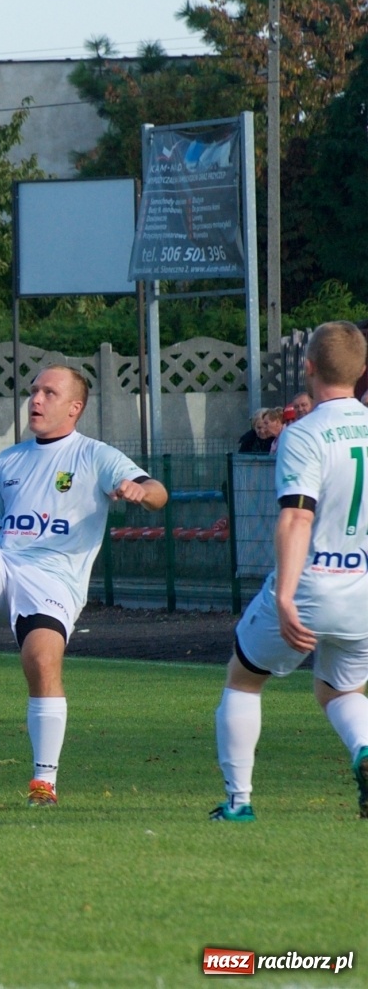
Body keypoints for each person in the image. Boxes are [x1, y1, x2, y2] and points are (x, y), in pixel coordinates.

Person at [0, 365, 167, 807]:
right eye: (34, 391)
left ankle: (44, 783)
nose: (35, 400)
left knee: (41, 662)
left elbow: (158, 491)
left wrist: (140, 492)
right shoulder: (10, 459)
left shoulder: (95, 456)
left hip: (54, 583)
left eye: (49, 393)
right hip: (3, 568)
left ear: (75, 408)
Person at [211, 321, 368, 823]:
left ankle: (239, 802)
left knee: (244, 678)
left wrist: (283, 596)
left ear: (308, 368)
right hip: (362, 592)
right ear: (362, 371)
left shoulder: (304, 434)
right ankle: (364, 749)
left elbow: (298, 516)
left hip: (310, 584)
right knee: (338, 690)